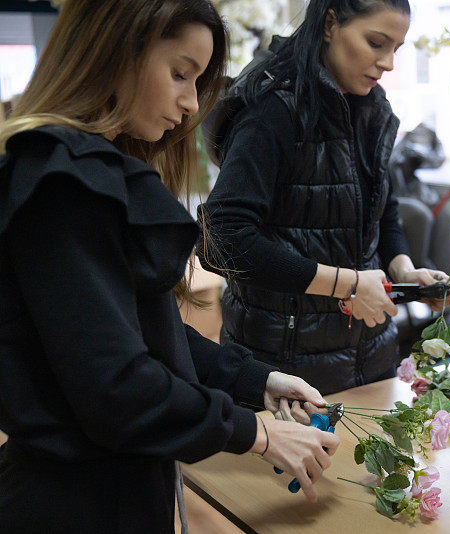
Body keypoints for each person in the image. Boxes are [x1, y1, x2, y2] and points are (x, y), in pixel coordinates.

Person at [0, 1, 338, 532]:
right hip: (74, 506)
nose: (187, 103)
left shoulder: (90, 174)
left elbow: (141, 334)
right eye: (179, 74)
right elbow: (118, 385)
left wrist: (256, 379)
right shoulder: (64, 185)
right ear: (114, 49)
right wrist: (258, 434)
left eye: (197, 81)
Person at [198, 0, 450, 396]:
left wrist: (404, 272)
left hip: (371, 356)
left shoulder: (372, 107)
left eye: (396, 50)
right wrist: (348, 284)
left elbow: (382, 210)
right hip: (284, 374)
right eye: (376, 43)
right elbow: (222, 240)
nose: (388, 63)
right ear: (331, 24)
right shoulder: (274, 109)